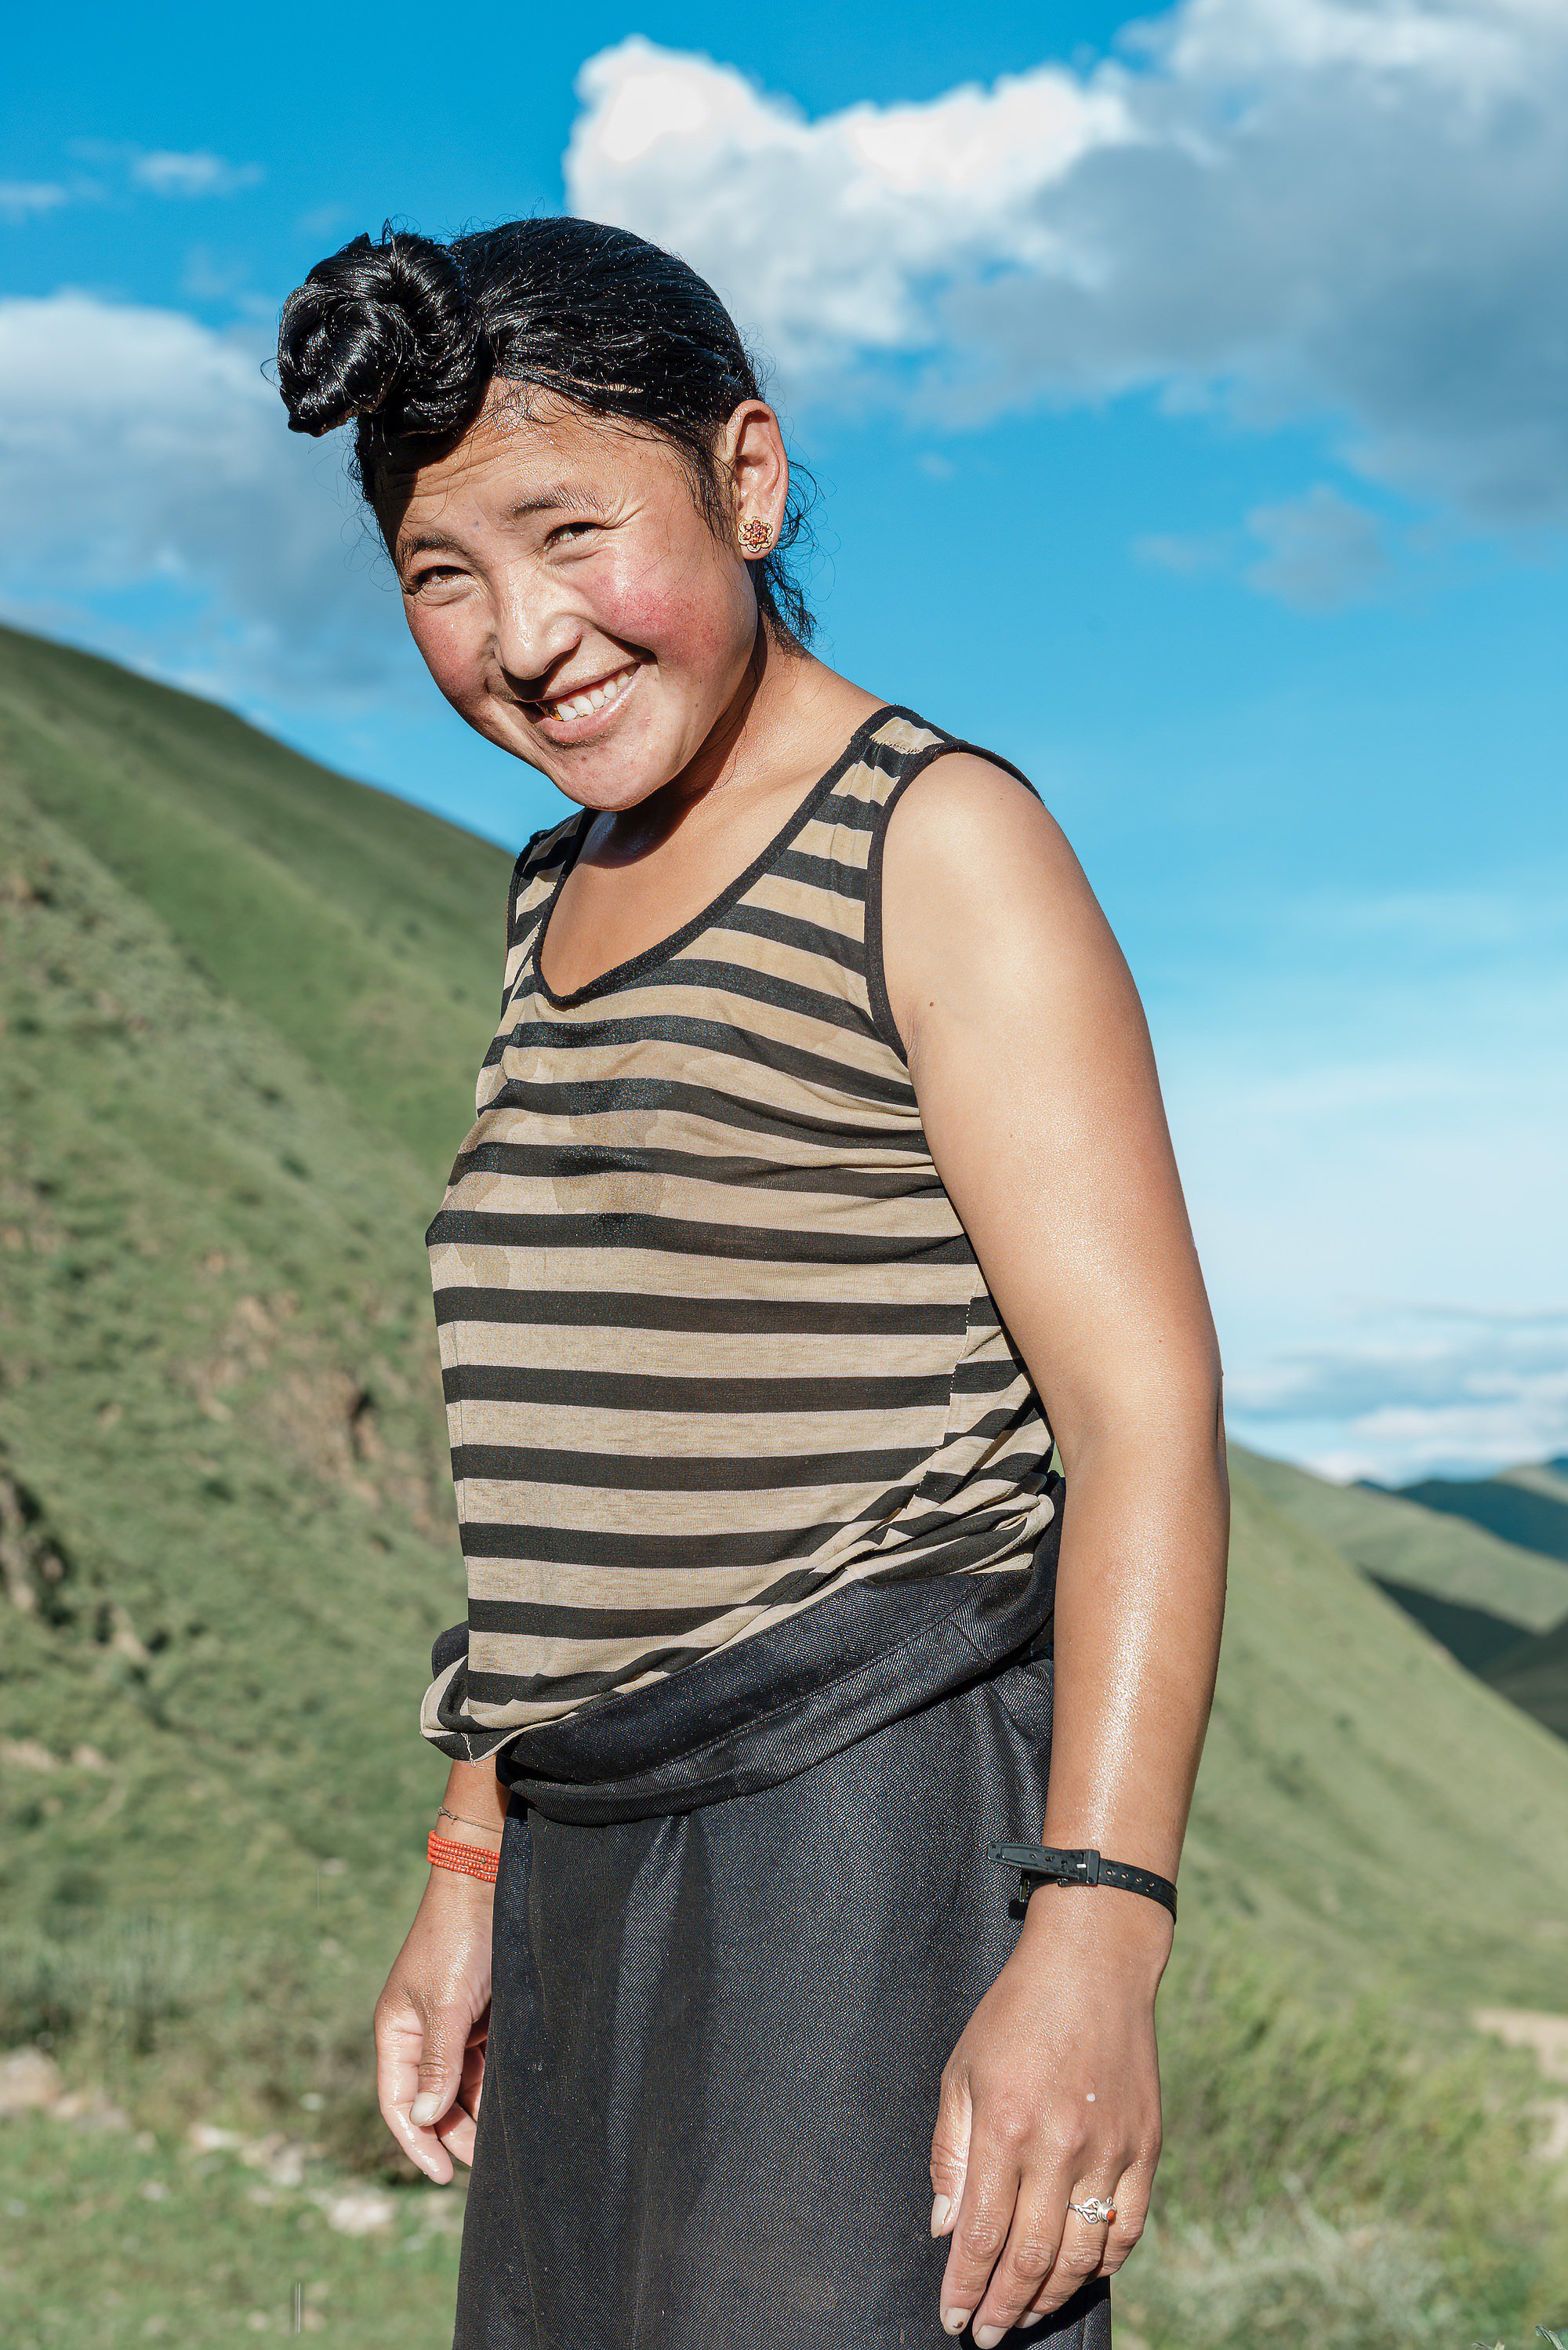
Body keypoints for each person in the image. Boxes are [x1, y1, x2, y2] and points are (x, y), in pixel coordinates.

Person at [275, 215, 1229, 2350]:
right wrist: (471, 1858)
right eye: (442, 572)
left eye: (569, 531)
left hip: (860, 1838)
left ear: (751, 479)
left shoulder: (935, 842)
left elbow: (1144, 1423)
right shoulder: (547, 903)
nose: (521, 636)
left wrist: (1096, 1937)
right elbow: (571, 1447)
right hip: (591, 1848)